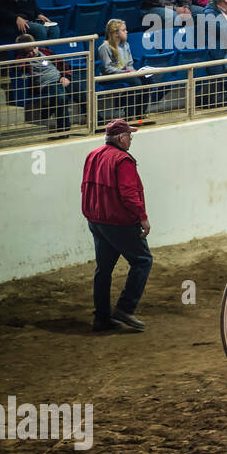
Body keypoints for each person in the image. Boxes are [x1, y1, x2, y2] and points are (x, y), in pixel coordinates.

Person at [81, 118, 152, 331]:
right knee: (142, 261)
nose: (131, 139)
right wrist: (143, 217)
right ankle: (125, 308)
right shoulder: (122, 160)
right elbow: (129, 194)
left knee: (103, 269)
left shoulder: (92, 156)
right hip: (118, 221)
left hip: (96, 219)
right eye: (129, 136)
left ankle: (102, 317)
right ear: (121, 138)